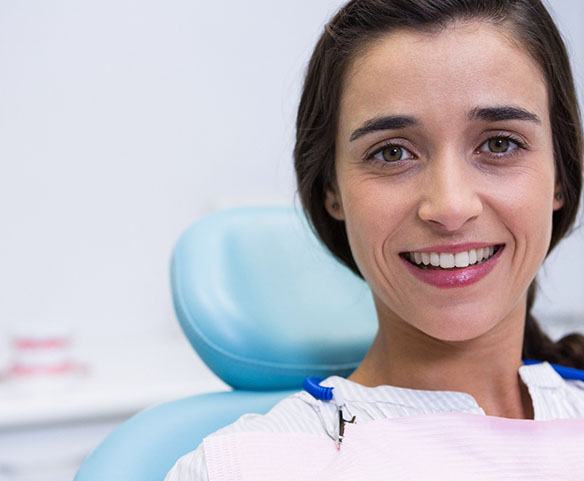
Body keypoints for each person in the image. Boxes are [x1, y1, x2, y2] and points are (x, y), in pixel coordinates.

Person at [165, 0, 584, 479]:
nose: (449, 206)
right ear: (332, 192)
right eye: (391, 152)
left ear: (560, 177)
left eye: (499, 144)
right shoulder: (245, 466)